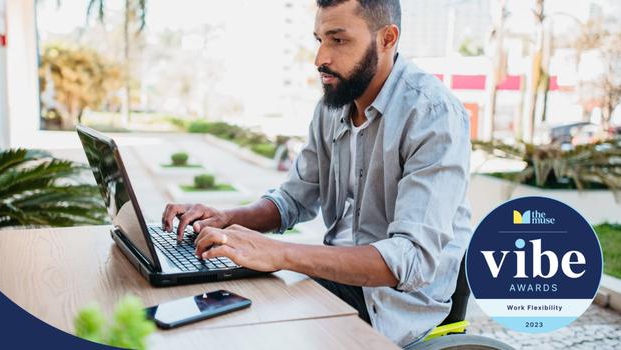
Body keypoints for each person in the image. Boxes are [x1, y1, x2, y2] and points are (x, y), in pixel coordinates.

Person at [161, 0, 472, 346]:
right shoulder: (332, 107)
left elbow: (409, 261)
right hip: (333, 279)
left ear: (387, 39)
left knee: (244, 325)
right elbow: (294, 199)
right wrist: (227, 218)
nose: (320, 58)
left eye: (338, 40)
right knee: (210, 296)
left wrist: (279, 253)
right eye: (319, 39)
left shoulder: (433, 115)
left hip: (394, 305)